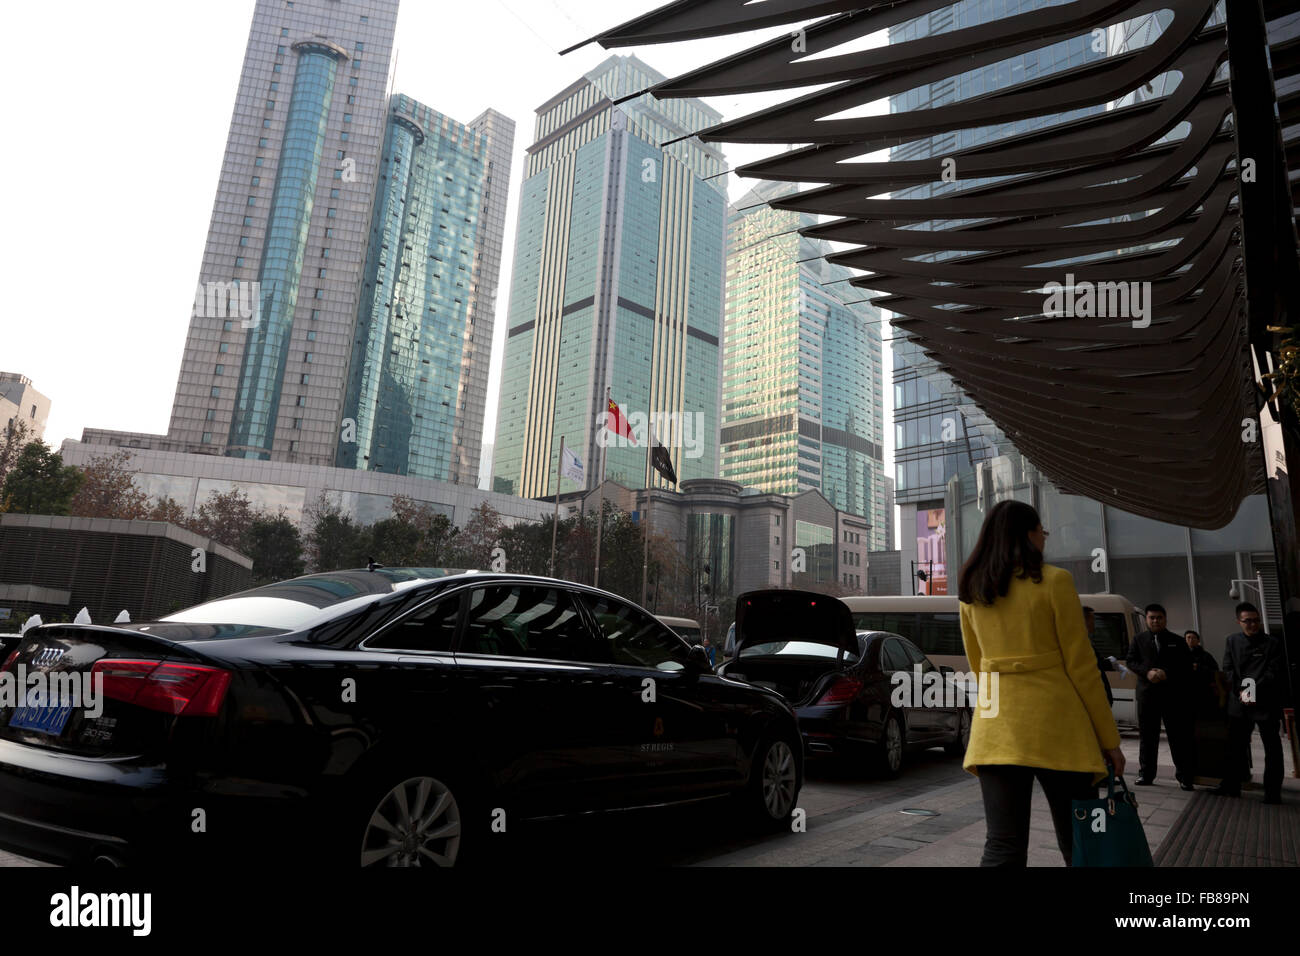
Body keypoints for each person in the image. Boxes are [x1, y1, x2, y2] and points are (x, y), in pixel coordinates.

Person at [958, 501, 1124, 867]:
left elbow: (978, 665)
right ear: (1028, 535)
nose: (1044, 538)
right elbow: (1082, 668)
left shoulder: (972, 590)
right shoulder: (1054, 581)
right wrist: (1109, 741)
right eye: (1042, 531)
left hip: (996, 729)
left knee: (1002, 846)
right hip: (1058, 727)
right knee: (1081, 841)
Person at [1212, 603, 1285, 804]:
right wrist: (1240, 691)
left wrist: (1252, 690)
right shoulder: (1232, 641)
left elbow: (1273, 672)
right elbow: (1227, 669)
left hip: (1266, 702)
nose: (1252, 624)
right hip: (1239, 702)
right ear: (1239, 622)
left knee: (1272, 749)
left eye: (1255, 620)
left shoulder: (1273, 643)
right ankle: (1231, 786)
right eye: (1247, 621)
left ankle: (1272, 793)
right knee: (1235, 747)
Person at [1126, 603, 1196, 789]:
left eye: (1159, 617)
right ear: (1147, 619)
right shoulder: (1139, 640)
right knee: (1148, 737)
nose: (1155, 620)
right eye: (1152, 618)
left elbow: (1186, 666)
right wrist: (1147, 672)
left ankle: (1184, 777)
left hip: (1172, 697)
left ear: (1165, 619)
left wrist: (1167, 673)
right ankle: (1146, 775)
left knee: (1177, 737)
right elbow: (1131, 661)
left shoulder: (1177, 641)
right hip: (1147, 696)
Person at [1083, 606, 1114, 705]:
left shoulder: (1087, 640)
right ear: (1084, 620)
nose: (1094, 623)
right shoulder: (1081, 643)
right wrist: (1109, 662)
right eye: (1092, 619)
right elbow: (1094, 664)